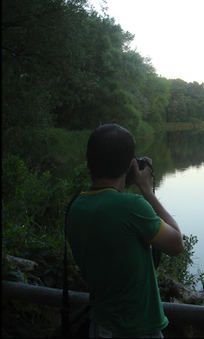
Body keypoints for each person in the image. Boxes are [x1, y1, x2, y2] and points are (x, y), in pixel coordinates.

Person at [66, 123, 184, 338]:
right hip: (138, 328)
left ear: (89, 161)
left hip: (100, 325)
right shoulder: (133, 207)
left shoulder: (76, 206)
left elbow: (110, 211)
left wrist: (123, 182)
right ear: (130, 165)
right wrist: (147, 191)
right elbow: (176, 244)